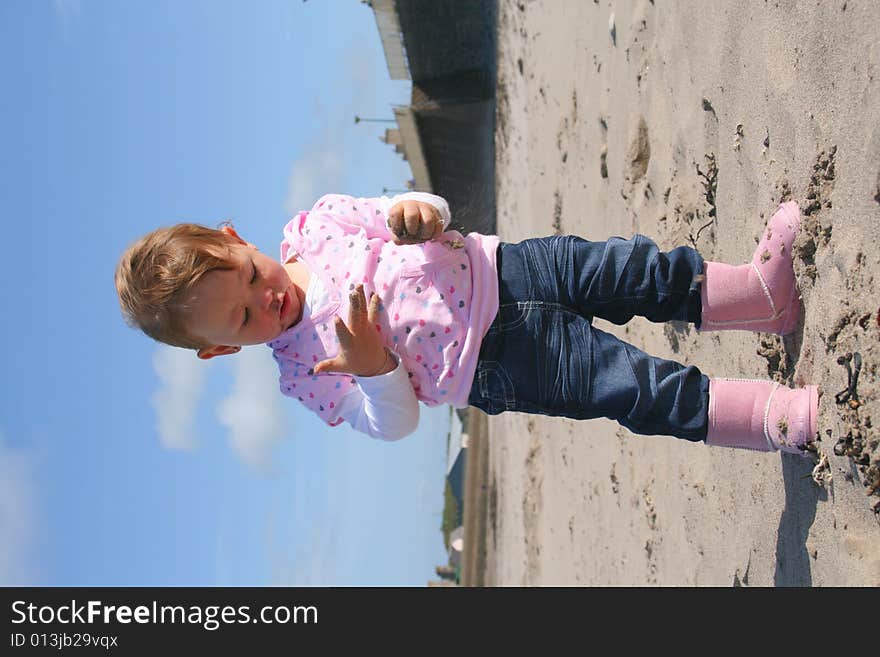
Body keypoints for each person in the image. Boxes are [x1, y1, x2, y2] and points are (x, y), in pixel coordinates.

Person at [115, 192, 818, 453]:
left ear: (236, 236)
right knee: (635, 387)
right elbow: (392, 425)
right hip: (495, 364)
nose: (263, 300)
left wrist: (422, 214)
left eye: (247, 275)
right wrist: (374, 369)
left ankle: (761, 296)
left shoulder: (317, 222)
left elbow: (414, 210)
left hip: (509, 267)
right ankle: (772, 421)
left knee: (638, 270)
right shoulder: (304, 373)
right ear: (220, 349)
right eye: (242, 318)